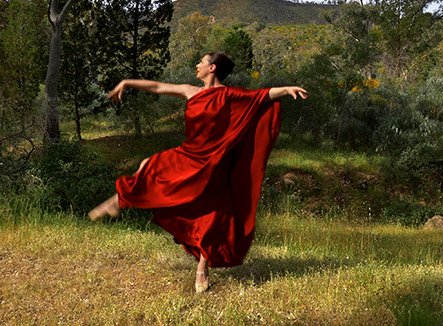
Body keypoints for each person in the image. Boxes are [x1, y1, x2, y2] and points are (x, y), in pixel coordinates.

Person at [88, 52, 307, 293]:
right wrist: (126, 82)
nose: (196, 65)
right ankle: (121, 200)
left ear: (212, 67)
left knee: (212, 212)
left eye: (201, 62)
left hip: (214, 161)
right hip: (189, 154)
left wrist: (286, 89)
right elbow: (157, 86)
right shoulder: (190, 91)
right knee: (149, 164)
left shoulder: (230, 94)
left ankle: (202, 267)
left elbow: (263, 95)